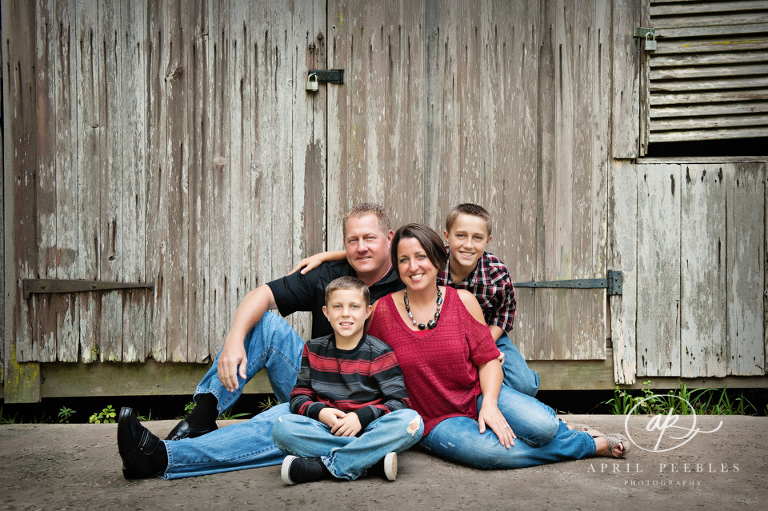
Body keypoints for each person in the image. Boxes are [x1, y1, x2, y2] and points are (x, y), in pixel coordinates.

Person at [117, 204, 406, 479]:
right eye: (352, 240)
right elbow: (263, 295)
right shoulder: (329, 274)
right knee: (266, 323)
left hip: (366, 403)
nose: (361, 247)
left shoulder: (410, 276)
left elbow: (445, 253)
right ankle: (199, 420)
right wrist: (234, 340)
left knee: (275, 423)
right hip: (320, 385)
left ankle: (162, 458)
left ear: (390, 239)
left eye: (370, 238)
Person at [365, 223, 628, 470]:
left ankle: (560, 428)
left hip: (477, 395)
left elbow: (488, 360)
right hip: (434, 419)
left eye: (420, 256)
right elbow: (367, 369)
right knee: (489, 453)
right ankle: (588, 444)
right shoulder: (382, 312)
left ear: (437, 260)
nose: (413, 266)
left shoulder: (463, 301)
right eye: (403, 259)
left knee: (544, 427)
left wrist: (489, 403)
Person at [290, 203, 538, 396]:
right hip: (444, 332)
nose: (468, 245)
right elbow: (384, 252)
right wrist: (327, 255)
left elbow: (504, 315)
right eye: (461, 236)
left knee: (524, 385)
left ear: (488, 241)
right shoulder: (431, 263)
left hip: (488, 331)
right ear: (446, 239)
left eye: (477, 238)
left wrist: (484, 345)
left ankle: (510, 394)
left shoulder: (496, 271)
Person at [272, 276, 423, 485]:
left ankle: (321, 466)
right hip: (327, 429)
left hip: (370, 429)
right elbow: (298, 397)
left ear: (367, 311)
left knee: (411, 421)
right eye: (337, 307)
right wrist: (321, 413)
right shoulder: (313, 349)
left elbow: (400, 403)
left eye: (354, 306)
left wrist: (361, 417)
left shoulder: (380, 353)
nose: (345, 314)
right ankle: (369, 461)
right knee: (282, 428)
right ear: (326, 312)